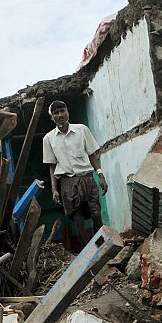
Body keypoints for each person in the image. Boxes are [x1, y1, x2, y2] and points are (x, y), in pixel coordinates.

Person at [42, 100, 107, 248]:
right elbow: (52, 167)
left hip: (87, 178)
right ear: (52, 117)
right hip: (67, 183)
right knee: (77, 219)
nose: (60, 115)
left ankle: (101, 245)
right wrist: (54, 190)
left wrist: (101, 175)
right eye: (55, 113)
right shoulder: (48, 139)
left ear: (67, 112)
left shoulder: (82, 130)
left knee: (96, 213)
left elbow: (92, 154)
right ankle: (87, 252)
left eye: (62, 111)